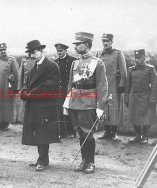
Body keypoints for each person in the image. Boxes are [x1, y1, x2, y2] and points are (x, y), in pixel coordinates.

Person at [64, 32, 108, 173]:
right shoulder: (75, 63)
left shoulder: (97, 63)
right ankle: (84, 160)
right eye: (76, 44)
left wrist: (100, 106)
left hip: (88, 102)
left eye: (78, 44)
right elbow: (70, 84)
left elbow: (102, 86)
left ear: (87, 45)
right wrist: (67, 102)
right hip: (75, 102)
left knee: (87, 133)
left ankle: (91, 163)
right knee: (80, 133)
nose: (76, 46)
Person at [20, 40, 61, 172]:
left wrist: (30, 93)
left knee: (43, 132)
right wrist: (25, 90)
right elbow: (27, 82)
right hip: (34, 104)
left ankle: (43, 160)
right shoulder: (34, 67)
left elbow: (49, 85)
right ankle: (42, 158)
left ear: (41, 51)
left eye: (34, 52)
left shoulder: (52, 66)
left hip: (45, 105)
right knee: (37, 131)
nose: (32, 56)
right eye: (30, 53)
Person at [125, 49, 157, 144]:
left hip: (146, 97)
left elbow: (155, 84)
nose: (137, 60)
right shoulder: (131, 70)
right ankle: (137, 135)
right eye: (136, 58)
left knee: (146, 118)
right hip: (134, 97)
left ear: (144, 58)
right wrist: (127, 98)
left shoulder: (150, 69)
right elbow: (128, 86)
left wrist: (153, 98)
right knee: (134, 117)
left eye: (139, 58)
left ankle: (145, 136)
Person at [96, 34, 127, 142]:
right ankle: (106, 131)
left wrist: (122, 85)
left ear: (111, 42)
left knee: (113, 109)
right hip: (102, 86)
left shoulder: (118, 53)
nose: (105, 43)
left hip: (114, 86)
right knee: (104, 109)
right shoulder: (99, 54)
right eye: (103, 41)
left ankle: (114, 132)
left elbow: (123, 71)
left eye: (107, 41)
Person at [0, 43, 19, 130]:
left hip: (7, 86)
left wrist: (16, 88)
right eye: (1, 50)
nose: (3, 51)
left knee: (7, 104)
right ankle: (1, 122)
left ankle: (6, 122)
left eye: (4, 50)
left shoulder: (11, 60)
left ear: (6, 49)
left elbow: (16, 74)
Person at [54, 43, 77, 138]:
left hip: (70, 89)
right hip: (59, 90)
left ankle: (72, 132)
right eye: (58, 51)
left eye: (61, 51)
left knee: (70, 110)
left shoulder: (73, 61)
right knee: (60, 111)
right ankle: (62, 132)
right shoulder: (55, 62)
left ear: (65, 51)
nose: (59, 53)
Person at [17, 50, 36, 123]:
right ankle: (25, 122)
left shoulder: (37, 59)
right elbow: (21, 73)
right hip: (26, 86)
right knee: (24, 106)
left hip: (35, 86)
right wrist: (19, 87)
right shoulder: (24, 59)